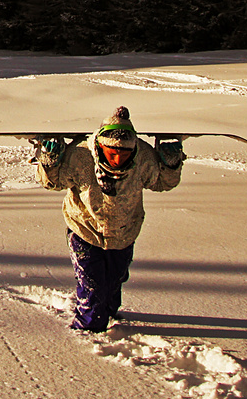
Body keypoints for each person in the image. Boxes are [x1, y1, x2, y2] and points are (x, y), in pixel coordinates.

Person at [34, 106, 184, 332]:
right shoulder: (81, 155)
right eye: (111, 151)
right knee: (92, 286)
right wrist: (49, 161)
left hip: (124, 232)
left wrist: (171, 163)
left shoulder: (142, 157)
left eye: (123, 154)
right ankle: (89, 332)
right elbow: (53, 182)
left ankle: (110, 311)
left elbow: (162, 182)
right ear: (100, 145)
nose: (116, 158)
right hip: (84, 230)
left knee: (115, 280)